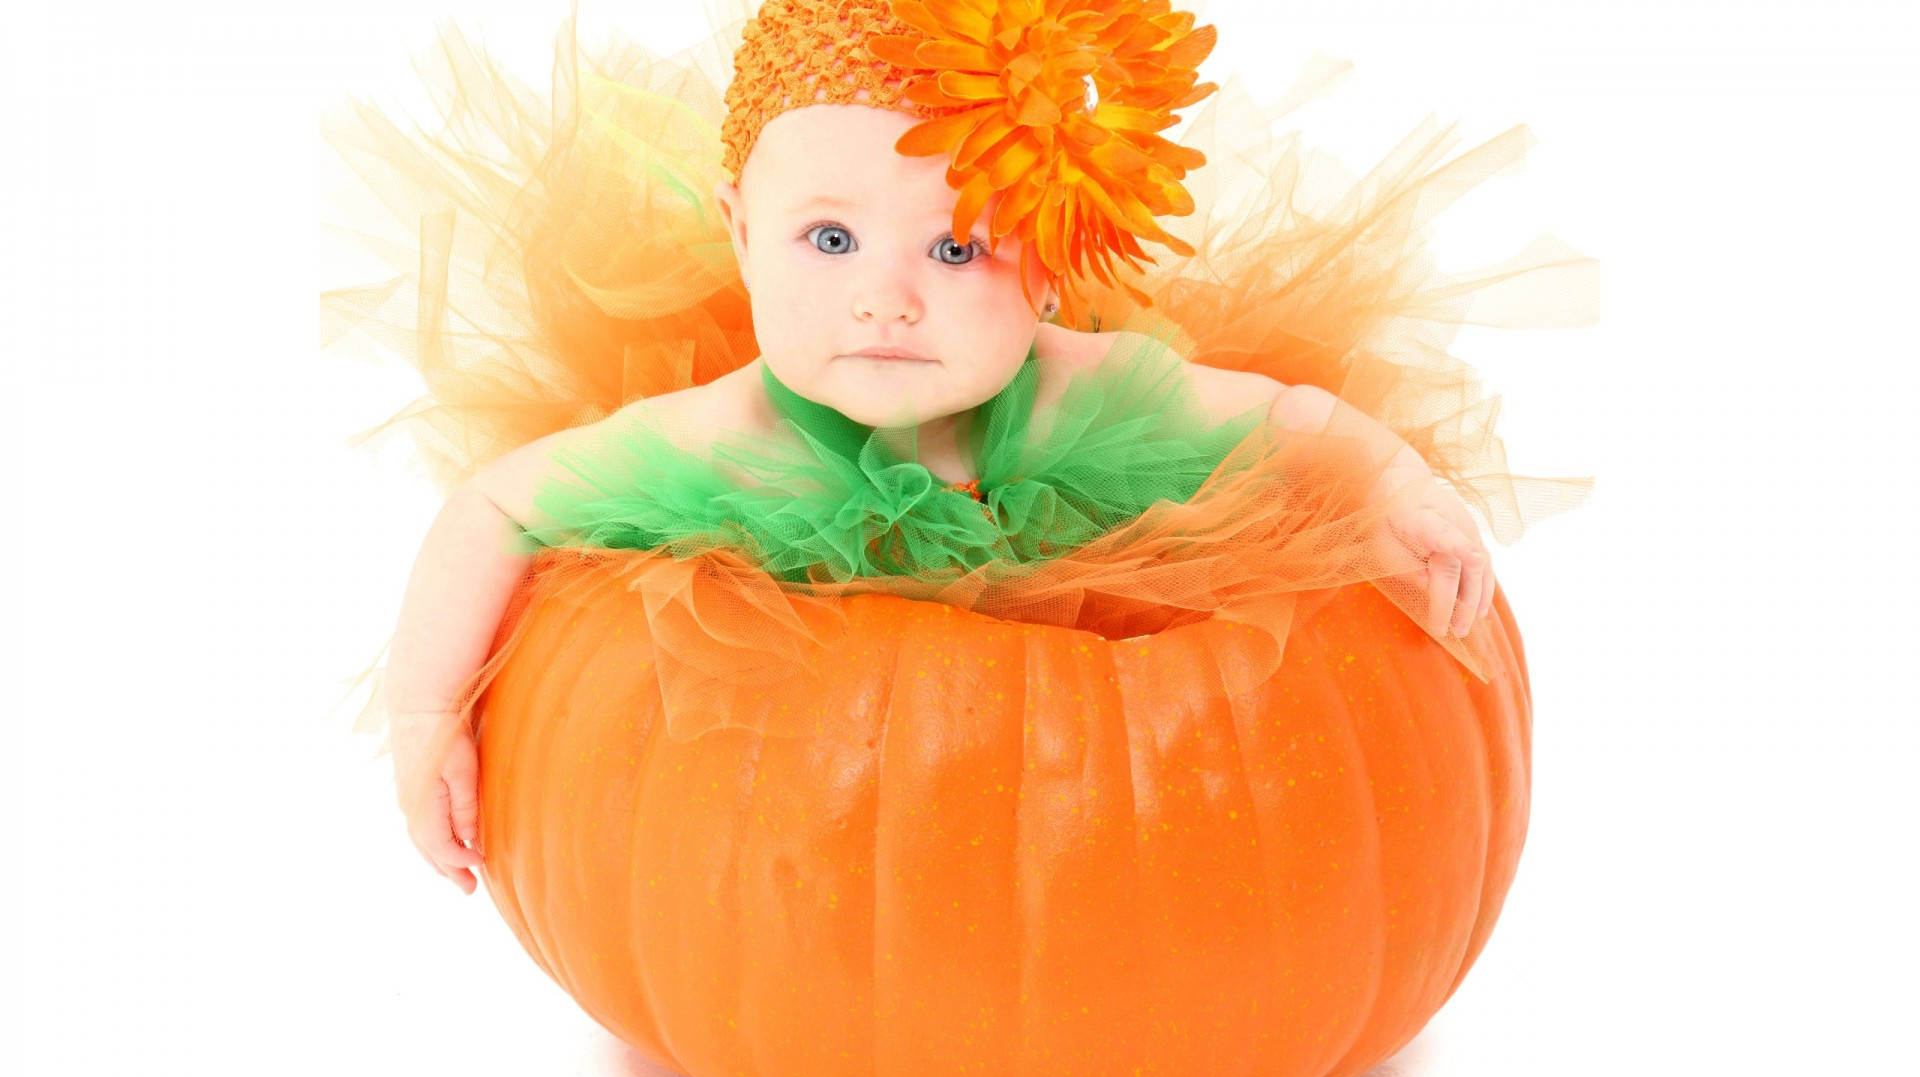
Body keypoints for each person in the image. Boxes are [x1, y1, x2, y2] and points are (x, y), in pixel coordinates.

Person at [321, 0, 1591, 896]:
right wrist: (429, 714)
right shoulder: (725, 437)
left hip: (1101, 857)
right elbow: (496, 507)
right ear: (740, 227)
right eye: (830, 241)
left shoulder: (1082, 397)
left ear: (1040, 265)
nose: (889, 298)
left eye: (954, 247)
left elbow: (1282, 418)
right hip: (799, 866)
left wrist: (1396, 482)